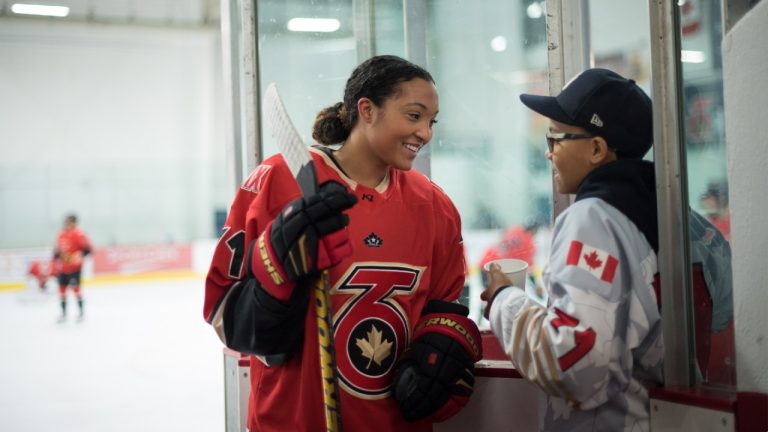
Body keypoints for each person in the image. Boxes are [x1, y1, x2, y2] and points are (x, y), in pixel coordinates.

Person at [204, 55, 482, 432]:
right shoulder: (277, 180)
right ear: (367, 109)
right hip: (292, 420)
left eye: (431, 122)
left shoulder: (435, 206)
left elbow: (446, 304)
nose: (426, 134)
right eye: (414, 116)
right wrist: (276, 272)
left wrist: (441, 347)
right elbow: (224, 312)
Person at [481, 68, 663, 431]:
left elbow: (574, 365)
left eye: (555, 139)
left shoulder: (593, 219)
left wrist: (503, 299)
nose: (548, 154)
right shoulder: (669, 212)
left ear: (596, 149)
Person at [53, 213, 92, 322]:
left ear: (74, 223)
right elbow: (57, 251)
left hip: (75, 269)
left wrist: (80, 255)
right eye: (65, 222)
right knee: (62, 291)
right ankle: (63, 315)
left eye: (68, 222)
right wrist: (57, 257)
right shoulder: (60, 234)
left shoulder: (79, 234)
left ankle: (81, 313)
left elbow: (88, 250)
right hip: (63, 268)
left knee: (76, 290)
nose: (66, 224)